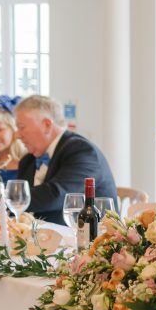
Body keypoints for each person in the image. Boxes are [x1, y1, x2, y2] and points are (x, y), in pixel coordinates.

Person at [14, 95, 117, 224]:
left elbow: (56, 196)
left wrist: (5, 200)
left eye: (21, 127)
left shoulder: (82, 151)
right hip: (43, 238)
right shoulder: (28, 160)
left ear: (46, 125)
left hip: (89, 238)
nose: (17, 135)